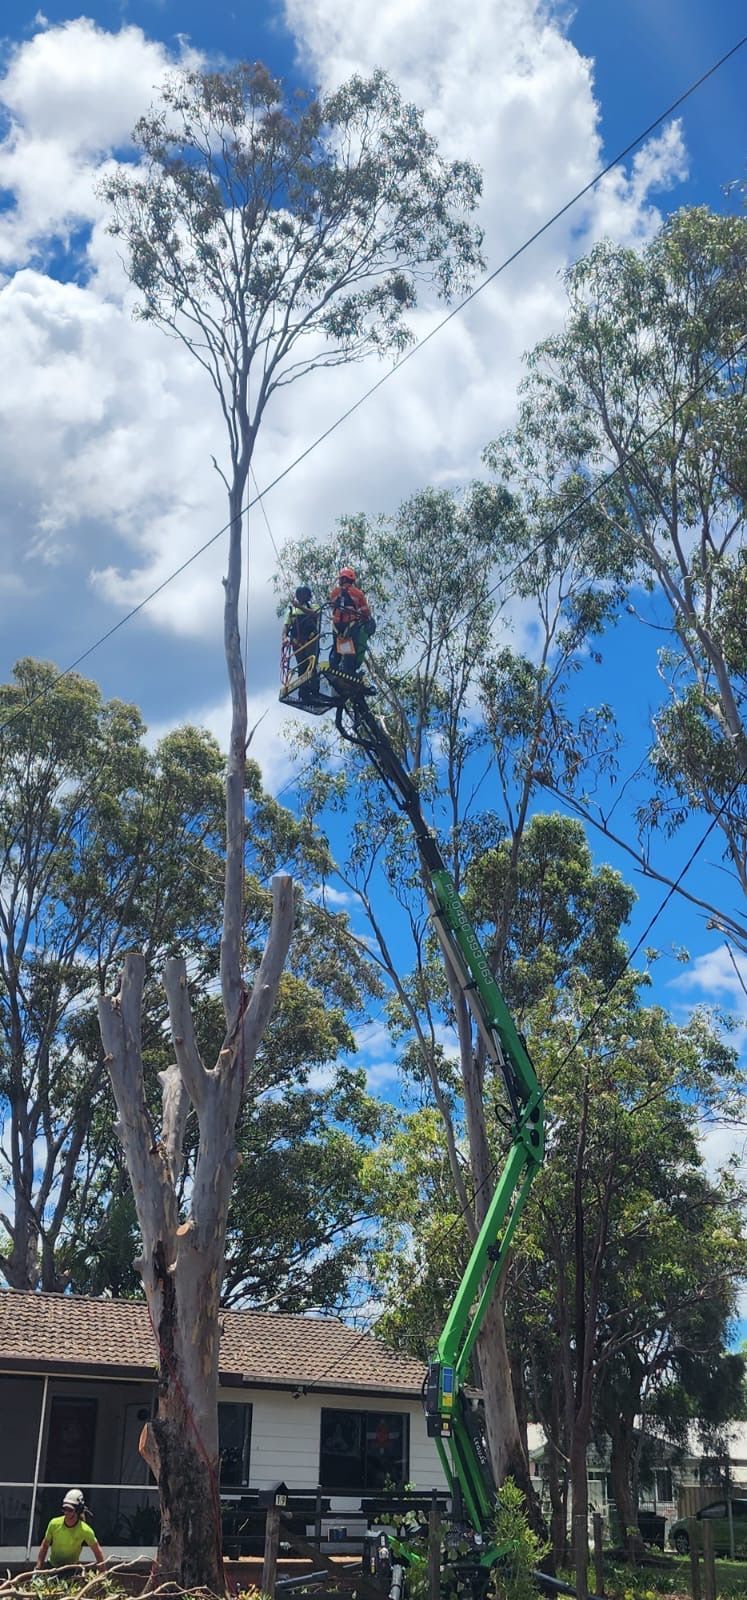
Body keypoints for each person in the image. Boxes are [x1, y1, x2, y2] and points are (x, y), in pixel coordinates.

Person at [36, 1488, 105, 1570]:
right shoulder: (54, 1524)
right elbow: (45, 1545)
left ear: (78, 1510)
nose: (66, 1513)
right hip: (52, 1566)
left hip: (71, 1569)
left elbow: (97, 1551)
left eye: (70, 1510)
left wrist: (102, 1572)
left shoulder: (85, 1530)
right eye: (64, 1509)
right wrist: (38, 1567)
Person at [329, 566, 374, 673]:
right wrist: (368, 618)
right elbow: (365, 611)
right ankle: (348, 669)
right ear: (351, 580)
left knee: (336, 648)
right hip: (350, 624)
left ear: (342, 579)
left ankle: (334, 666)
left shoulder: (334, 592)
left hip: (336, 625)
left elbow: (332, 606)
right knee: (349, 647)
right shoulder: (358, 593)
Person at [285, 585, 320, 699]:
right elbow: (286, 626)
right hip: (297, 642)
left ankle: (314, 691)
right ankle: (304, 693)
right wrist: (284, 637)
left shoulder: (313, 606)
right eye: (300, 594)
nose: (302, 596)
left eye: (304, 594)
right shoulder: (291, 610)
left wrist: (299, 606)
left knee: (312, 665)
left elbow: (315, 614)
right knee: (302, 666)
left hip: (311, 640)